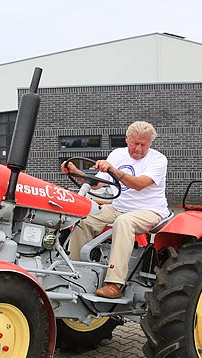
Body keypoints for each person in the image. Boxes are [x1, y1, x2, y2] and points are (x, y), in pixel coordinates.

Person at [61, 121, 169, 299]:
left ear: (150, 143)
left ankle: (114, 284)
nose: (139, 149)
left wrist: (114, 170)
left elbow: (139, 184)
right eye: (135, 143)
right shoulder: (117, 154)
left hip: (151, 211)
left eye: (144, 145)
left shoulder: (158, 159)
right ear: (127, 140)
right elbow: (96, 184)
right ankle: (76, 273)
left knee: (124, 222)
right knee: (84, 218)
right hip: (118, 207)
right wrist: (76, 172)